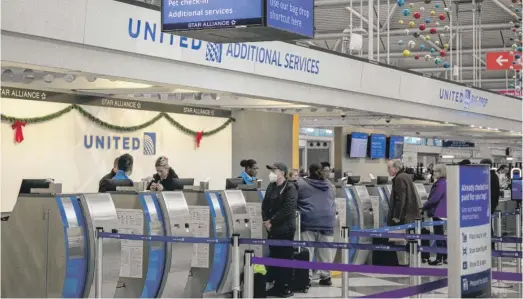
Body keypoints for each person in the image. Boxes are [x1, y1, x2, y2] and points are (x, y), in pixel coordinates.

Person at [262, 162, 297, 297]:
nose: (271, 173)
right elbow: (265, 205)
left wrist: (272, 221)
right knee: (275, 255)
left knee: (285, 256)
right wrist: (266, 220)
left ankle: (286, 286)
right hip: (272, 228)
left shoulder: (290, 188)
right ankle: (277, 285)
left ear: (282, 173)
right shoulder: (271, 187)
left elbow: (288, 209)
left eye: (274, 170)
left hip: (285, 228)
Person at [297, 163, 336, 286]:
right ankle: (326, 277)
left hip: (309, 220)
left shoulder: (300, 183)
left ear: (309, 171)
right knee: (325, 251)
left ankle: (306, 278)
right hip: (327, 221)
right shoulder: (329, 185)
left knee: (307, 250)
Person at [422, 164, 447, 265]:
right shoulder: (445, 182)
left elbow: (434, 199)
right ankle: (444, 257)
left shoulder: (440, 184)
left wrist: (424, 206)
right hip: (443, 212)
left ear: (440, 172)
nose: (433, 173)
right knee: (441, 235)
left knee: (438, 236)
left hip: (438, 212)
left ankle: (439, 258)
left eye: (435, 171)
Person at [386, 159, 420, 226]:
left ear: (396, 168)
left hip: (403, 217)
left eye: (389, 168)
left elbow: (400, 199)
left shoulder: (399, 178)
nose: (388, 170)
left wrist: (396, 216)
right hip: (410, 215)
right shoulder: (405, 176)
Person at [480, 158, 500, 249]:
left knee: (487, 226)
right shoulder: (493, 175)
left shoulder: (489, 176)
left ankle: (490, 244)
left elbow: (492, 192)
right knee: (488, 225)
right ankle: (490, 244)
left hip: (488, 204)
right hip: (491, 204)